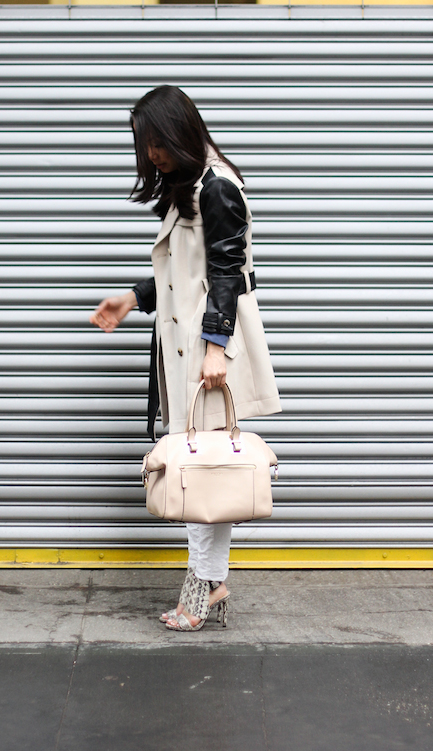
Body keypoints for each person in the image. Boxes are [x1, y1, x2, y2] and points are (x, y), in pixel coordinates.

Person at [90, 85, 281, 631]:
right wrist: (131, 299)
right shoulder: (194, 186)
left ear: (178, 130)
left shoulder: (218, 187)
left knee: (201, 475)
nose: (150, 155)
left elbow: (228, 273)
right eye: (143, 145)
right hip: (194, 352)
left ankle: (201, 589)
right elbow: (181, 275)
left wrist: (216, 348)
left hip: (207, 355)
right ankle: (210, 582)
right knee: (205, 471)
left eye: (154, 143)